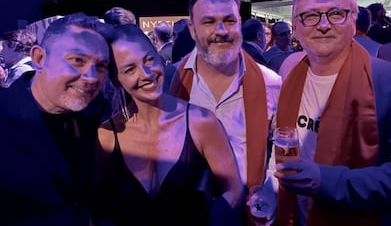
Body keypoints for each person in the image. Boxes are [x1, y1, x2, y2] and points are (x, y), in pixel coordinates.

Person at [274, 0, 391, 225]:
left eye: (336, 13)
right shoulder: (290, 77)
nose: (324, 24)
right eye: (311, 15)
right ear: (295, 26)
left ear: (352, 20)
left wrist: (324, 181)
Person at [95, 24, 243, 225]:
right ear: (115, 79)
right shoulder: (106, 136)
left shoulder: (201, 122)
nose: (146, 73)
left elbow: (232, 188)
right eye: (130, 69)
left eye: (149, 60)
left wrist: (216, 219)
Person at [165, 0, 282, 224]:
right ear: (193, 30)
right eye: (208, 22)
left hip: (248, 214)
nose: (221, 30)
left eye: (229, 20)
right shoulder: (171, 80)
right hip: (185, 212)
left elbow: (281, 149)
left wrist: (268, 195)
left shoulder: (270, 83)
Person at [0, 13, 113, 225]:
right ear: (39, 58)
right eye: (77, 60)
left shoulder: (94, 114)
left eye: (100, 66)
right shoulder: (5, 116)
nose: (91, 77)